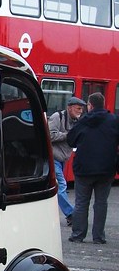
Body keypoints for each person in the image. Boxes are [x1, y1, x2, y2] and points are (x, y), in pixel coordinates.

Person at [66, 92, 117, 244]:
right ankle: (98, 237)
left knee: (82, 202)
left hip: (84, 168)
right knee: (101, 203)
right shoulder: (113, 120)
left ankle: (78, 235)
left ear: (90, 105)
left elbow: (71, 141)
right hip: (106, 169)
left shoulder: (83, 122)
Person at [47, 95, 84, 224]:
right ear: (69, 108)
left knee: (54, 187)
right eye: (78, 108)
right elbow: (50, 135)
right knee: (61, 185)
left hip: (63, 159)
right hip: (53, 157)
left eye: (81, 109)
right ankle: (71, 214)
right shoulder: (58, 117)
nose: (80, 111)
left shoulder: (78, 121)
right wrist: (68, 135)